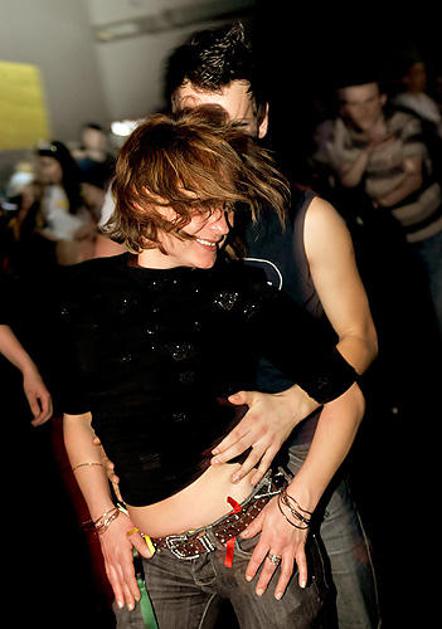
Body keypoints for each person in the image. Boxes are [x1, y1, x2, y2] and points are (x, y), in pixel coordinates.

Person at [60, 108, 365, 628]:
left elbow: (347, 398)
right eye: (201, 207)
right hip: (151, 559)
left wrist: (296, 510)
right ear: (144, 200)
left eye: (225, 206)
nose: (222, 225)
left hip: (254, 546)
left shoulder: (238, 291)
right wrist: (105, 520)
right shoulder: (85, 294)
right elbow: (77, 420)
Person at [313, 76, 442, 336]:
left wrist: (377, 204)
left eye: (369, 100)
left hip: (428, 230)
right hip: (388, 242)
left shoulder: (404, 123)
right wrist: (369, 149)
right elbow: (348, 179)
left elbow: (414, 177)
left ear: (382, 99)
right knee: (407, 311)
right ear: (344, 107)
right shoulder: (341, 136)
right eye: (354, 103)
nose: (364, 110)